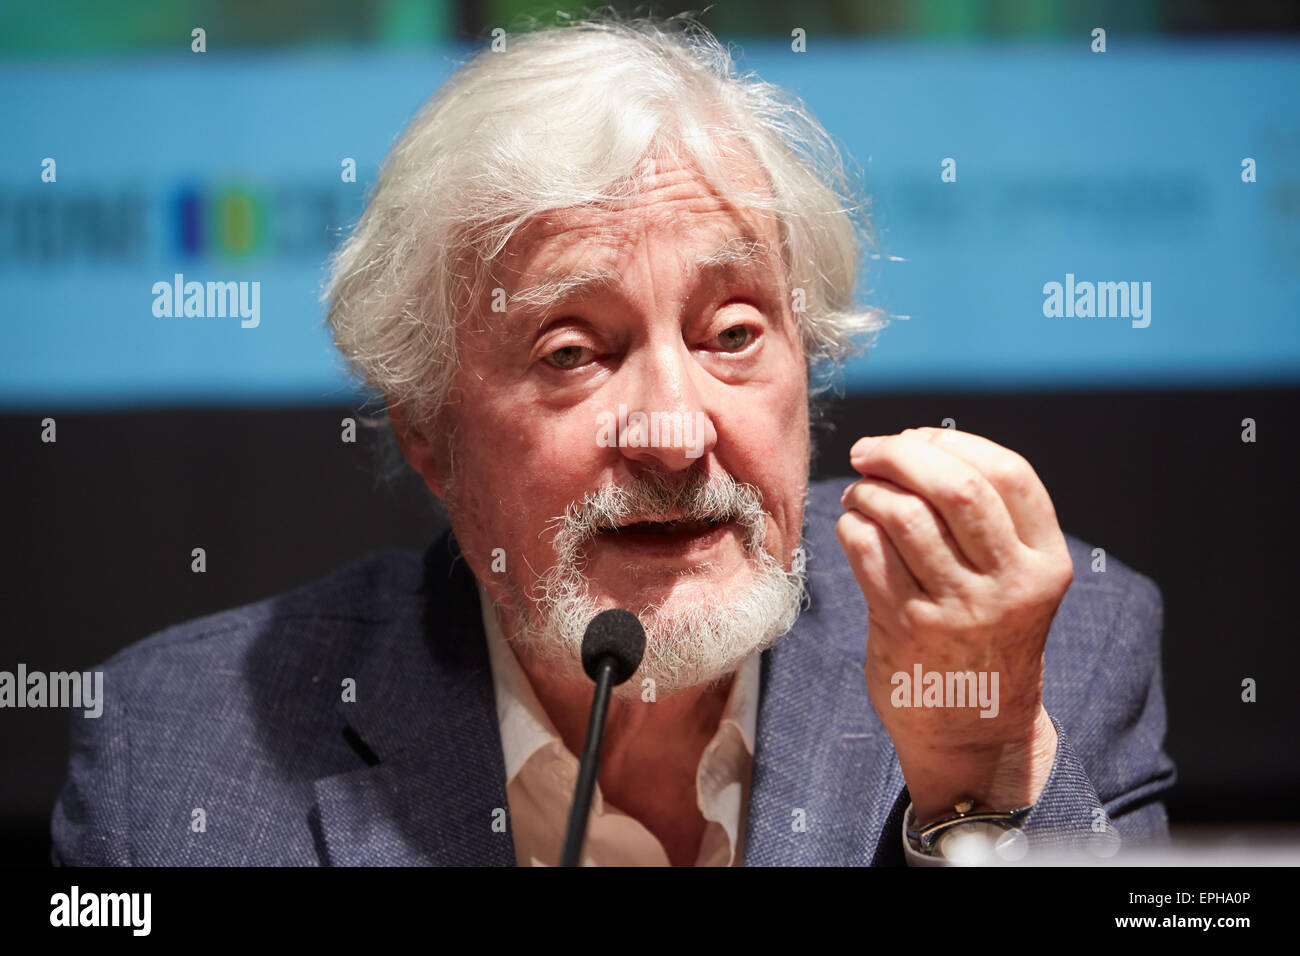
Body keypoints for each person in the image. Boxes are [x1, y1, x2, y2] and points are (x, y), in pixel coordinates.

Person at [51, 14, 1174, 867]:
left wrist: (978, 776)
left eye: (734, 332)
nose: (676, 434)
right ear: (431, 434)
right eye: (573, 352)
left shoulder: (1041, 656)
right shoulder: (179, 749)